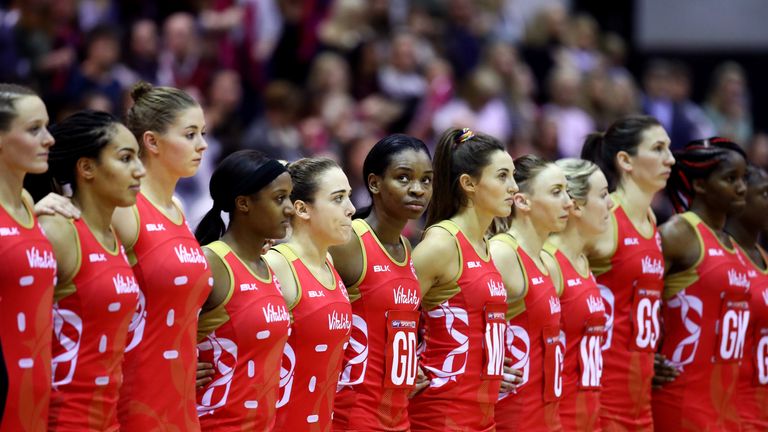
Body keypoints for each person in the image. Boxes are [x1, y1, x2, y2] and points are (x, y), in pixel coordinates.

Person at [32, 111, 145, 430]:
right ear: (86, 167)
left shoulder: (112, 235)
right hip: (62, 419)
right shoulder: (58, 231)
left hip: (109, 420)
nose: (140, 171)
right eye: (126, 158)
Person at [115, 82, 212, 430]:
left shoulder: (179, 208)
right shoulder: (125, 210)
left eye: (203, 133)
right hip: (135, 394)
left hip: (181, 393)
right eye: (189, 134)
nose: (202, 145)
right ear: (152, 141)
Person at [407, 128, 517, 431]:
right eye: (503, 176)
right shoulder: (442, 244)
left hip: (481, 414)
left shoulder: (485, 242)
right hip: (441, 415)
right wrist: (402, 364)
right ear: (469, 184)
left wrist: (490, 356)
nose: (514, 188)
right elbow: (386, 309)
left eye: (513, 176)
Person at [330, 134, 433, 431]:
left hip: (398, 415)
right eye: (404, 178)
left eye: (426, 181)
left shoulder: (408, 247)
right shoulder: (349, 242)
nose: (417, 189)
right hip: (352, 416)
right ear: (374, 183)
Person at [580, 115, 675, 430]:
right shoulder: (606, 218)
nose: (670, 159)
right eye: (658, 148)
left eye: (669, 148)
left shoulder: (650, 218)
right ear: (626, 160)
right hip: (601, 402)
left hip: (640, 404)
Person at [192, 150, 293, 430]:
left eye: (290, 197)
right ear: (244, 203)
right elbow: (151, 327)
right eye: (279, 198)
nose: (290, 209)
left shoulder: (267, 266)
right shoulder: (210, 262)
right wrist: (173, 368)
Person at [653, 137, 750, 430]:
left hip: (724, 403)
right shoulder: (679, 233)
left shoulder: (733, 245)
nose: (741, 187)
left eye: (744, 178)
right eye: (730, 179)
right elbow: (632, 292)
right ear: (700, 185)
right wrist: (641, 353)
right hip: (681, 399)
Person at [264, 157, 354, 431]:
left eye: (349, 197)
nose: (350, 209)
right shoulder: (277, 265)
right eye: (338, 199)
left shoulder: (330, 265)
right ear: (302, 209)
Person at [489, 155, 572, 431]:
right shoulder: (502, 253)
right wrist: (480, 364)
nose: (568, 202)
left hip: (548, 416)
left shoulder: (550, 262)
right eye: (556, 192)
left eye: (567, 192)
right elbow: (451, 318)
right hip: (511, 418)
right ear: (522, 201)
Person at [0, 83, 56, 431]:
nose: (49, 138)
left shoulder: (27, 204)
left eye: (46, 126)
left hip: (35, 393)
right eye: (34, 129)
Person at [543, 159, 613, 431]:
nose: (611, 204)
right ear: (577, 205)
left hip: (590, 418)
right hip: (560, 420)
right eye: (604, 195)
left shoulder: (582, 260)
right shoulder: (549, 262)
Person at [726, 165, 768, 431]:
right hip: (730, 412)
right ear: (739, 198)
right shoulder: (713, 255)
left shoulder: (764, 257)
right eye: (765, 193)